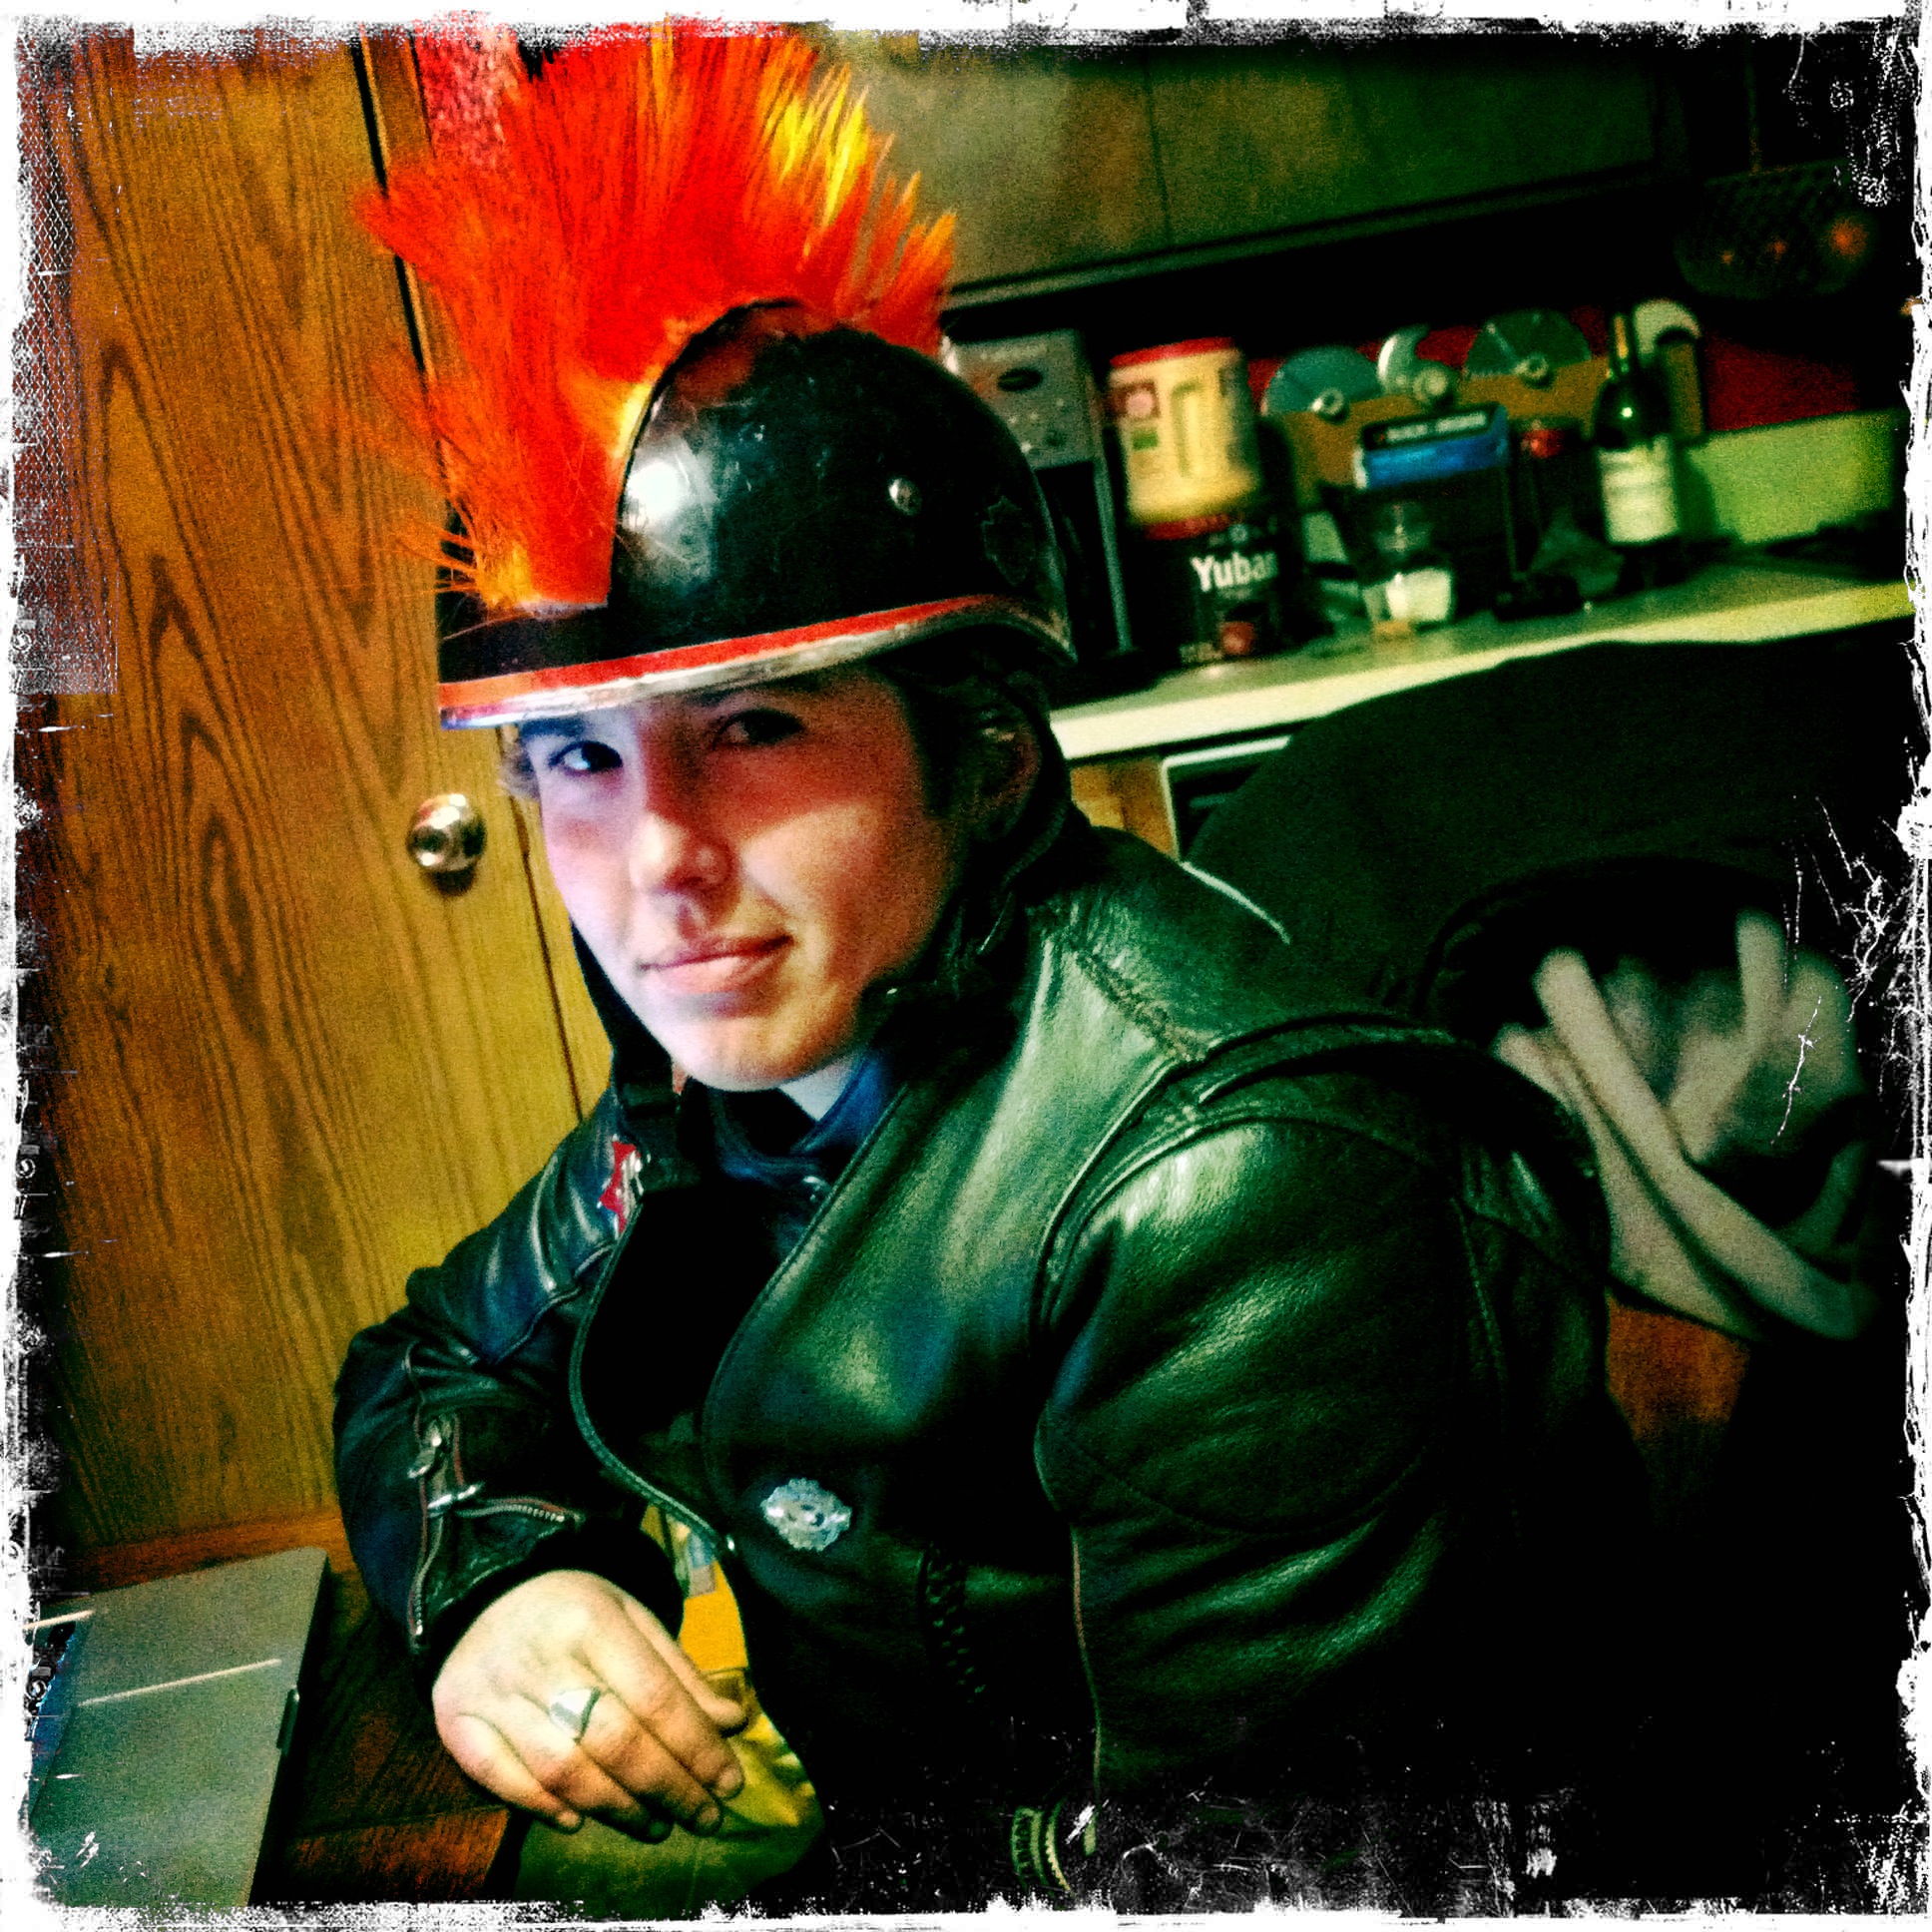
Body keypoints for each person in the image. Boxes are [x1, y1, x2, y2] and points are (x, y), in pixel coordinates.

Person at [334, 26, 1640, 1911]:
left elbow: (1265, 1883)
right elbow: (435, 1361)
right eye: (579, 763)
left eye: (756, 731)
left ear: (988, 757)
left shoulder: (1232, 1192)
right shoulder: (755, 1065)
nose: (658, 864)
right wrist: (501, 1580)